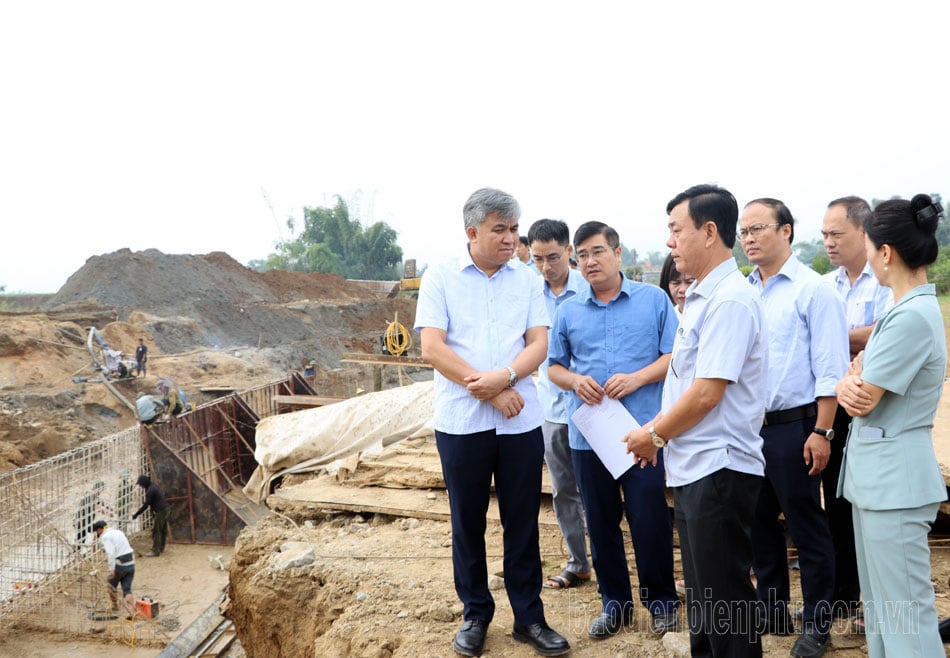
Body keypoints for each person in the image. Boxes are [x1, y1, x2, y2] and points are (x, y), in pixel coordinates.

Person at [414, 188, 570, 657]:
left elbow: (538, 342)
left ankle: (529, 617)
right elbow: (432, 348)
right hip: (463, 422)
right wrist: (489, 389)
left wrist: (506, 378)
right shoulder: (440, 277)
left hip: (519, 423)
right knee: (468, 521)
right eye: (500, 229)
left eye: (513, 229)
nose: (510, 239)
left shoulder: (524, 280)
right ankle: (476, 614)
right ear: (473, 231)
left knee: (522, 520)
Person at [625, 184, 767, 658]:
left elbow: (707, 393)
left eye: (675, 230)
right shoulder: (704, 298)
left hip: (719, 468)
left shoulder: (729, 301)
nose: (669, 242)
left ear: (708, 232)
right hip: (697, 467)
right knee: (707, 604)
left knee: (726, 604)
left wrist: (653, 434)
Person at [548, 221, 679, 639]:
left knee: (649, 519)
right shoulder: (567, 310)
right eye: (582, 255)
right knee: (601, 523)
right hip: (589, 437)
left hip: (642, 434)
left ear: (618, 254)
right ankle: (615, 605)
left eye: (598, 252)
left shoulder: (653, 300)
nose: (589, 261)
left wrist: (638, 378)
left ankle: (661, 601)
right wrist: (574, 381)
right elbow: (553, 367)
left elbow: (674, 356)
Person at [835, 194, 947, 657]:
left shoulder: (911, 317)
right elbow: (853, 382)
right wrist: (849, 379)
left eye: (867, 245)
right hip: (877, 483)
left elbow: (862, 399)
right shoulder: (901, 312)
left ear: (886, 252)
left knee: (906, 614)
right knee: (883, 613)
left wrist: (851, 381)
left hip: (894, 484)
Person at [740, 198, 848, 658]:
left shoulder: (813, 289)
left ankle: (818, 622)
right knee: (759, 522)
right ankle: (772, 608)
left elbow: (830, 368)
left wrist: (822, 432)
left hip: (798, 424)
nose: (748, 238)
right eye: (743, 231)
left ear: (786, 231)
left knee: (806, 527)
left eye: (758, 228)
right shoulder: (745, 290)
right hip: (750, 426)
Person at [820, 196, 893, 628]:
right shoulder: (825, 286)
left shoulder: (885, 282)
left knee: (869, 506)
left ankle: (876, 602)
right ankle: (844, 597)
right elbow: (857, 341)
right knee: (837, 503)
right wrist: (853, 339)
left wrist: (838, 337)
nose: (828, 242)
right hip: (835, 407)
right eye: (824, 234)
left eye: (836, 234)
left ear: (863, 233)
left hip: (873, 407)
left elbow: (883, 339)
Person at [527, 218, 592, 591]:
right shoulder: (530, 295)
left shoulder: (589, 289)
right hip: (551, 410)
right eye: (538, 259)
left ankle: (606, 564)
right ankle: (578, 562)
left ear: (568, 252)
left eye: (553, 257)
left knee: (597, 490)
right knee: (563, 489)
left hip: (590, 407)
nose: (546, 267)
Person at [92, 520, 137, 617]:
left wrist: (111, 569)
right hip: (131, 563)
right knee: (127, 589)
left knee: (110, 585)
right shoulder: (118, 532)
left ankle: (115, 606)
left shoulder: (106, 537)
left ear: (100, 529)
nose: (97, 534)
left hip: (119, 565)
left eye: (96, 531)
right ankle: (132, 612)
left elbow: (111, 553)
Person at [132, 474, 171, 557]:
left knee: (156, 531)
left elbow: (146, 505)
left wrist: (136, 514)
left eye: (141, 484)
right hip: (166, 509)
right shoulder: (154, 486)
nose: (140, 486)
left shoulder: (150, 490)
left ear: (144, 483)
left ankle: (155, 551)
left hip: (161, 511)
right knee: (163, 530)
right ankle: (161, 547)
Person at [75, 480, 112, 548]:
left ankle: (93, 547)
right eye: (100, 490)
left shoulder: (94, 497)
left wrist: (110, 510)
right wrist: (106, 512)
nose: (100, 492)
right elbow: (95, 507)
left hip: (87, 522)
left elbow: (101, 503)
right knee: (81, 539)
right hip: (83, 522)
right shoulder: (89, 497)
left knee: (82, 538)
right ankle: (91, 547)